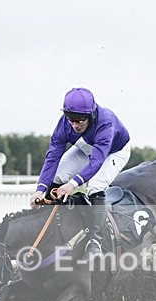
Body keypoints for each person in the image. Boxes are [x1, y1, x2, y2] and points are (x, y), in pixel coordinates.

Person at [29, 88, 131, 260]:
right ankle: (48, 227)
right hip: (85, 147)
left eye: (79, 121)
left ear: (91, 115)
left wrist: (72, 184)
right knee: (58, 177)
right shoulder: (64, 123)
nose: (75, 125)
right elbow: (52, 157)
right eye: (71, 120)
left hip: (114, 151)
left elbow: (97, 161)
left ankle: (96, 242)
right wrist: (40, 189)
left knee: (95, 186)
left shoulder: (105, 122)